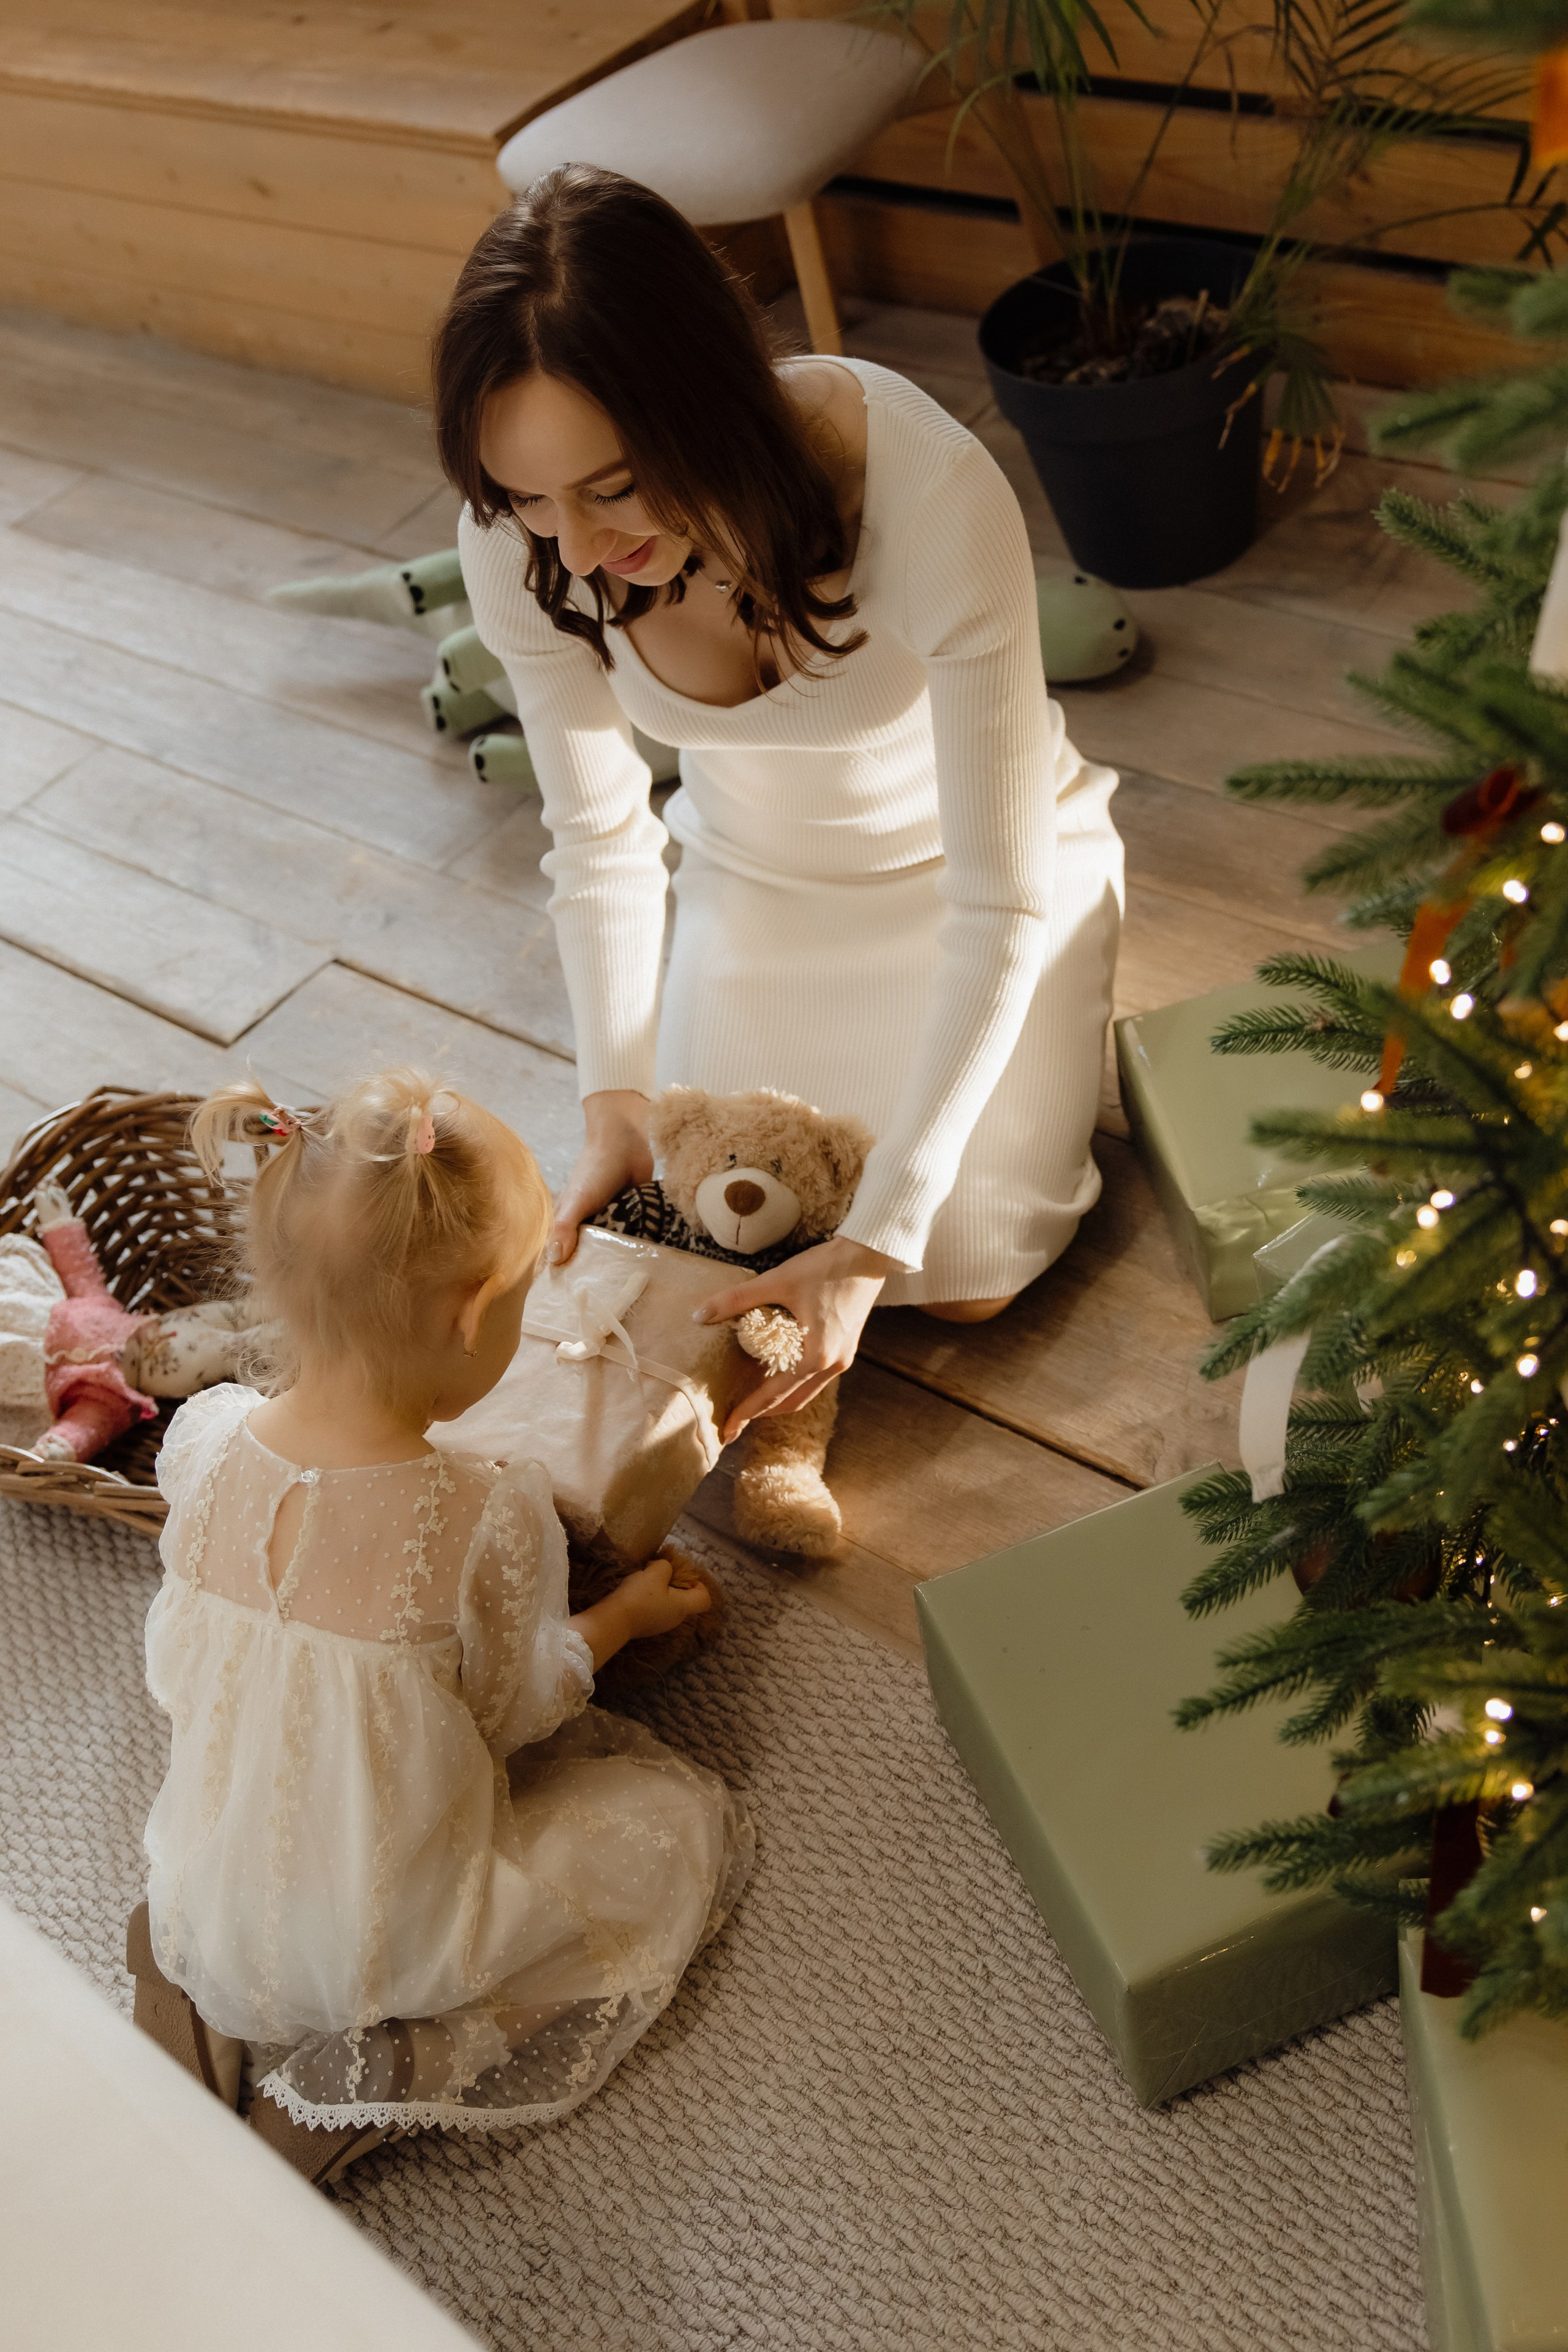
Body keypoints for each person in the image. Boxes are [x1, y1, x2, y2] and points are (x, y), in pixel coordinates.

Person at [434, 165, 1124, 1447]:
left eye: (611, 485)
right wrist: (614, 1098)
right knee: (712, 1230)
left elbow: (996, 889)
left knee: (962, 1279)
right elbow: (597, 839)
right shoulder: (523, 547)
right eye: (526, 495)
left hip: (978, 879)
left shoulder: (922, 485)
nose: (572, 550)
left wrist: (886, 1229)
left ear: (713, 406)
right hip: (751, 877)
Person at [130, 1068, 751, 2187]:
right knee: (664, 1831)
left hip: (215, 1875)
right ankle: (378, 2066)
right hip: (393, 1918)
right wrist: (620, 1612)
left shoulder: (203, 1444)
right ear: (475, 1314)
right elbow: (517, 1708)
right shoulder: (484, 1510)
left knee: (208, 1891)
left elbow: (183, 1671)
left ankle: (190, 1976)